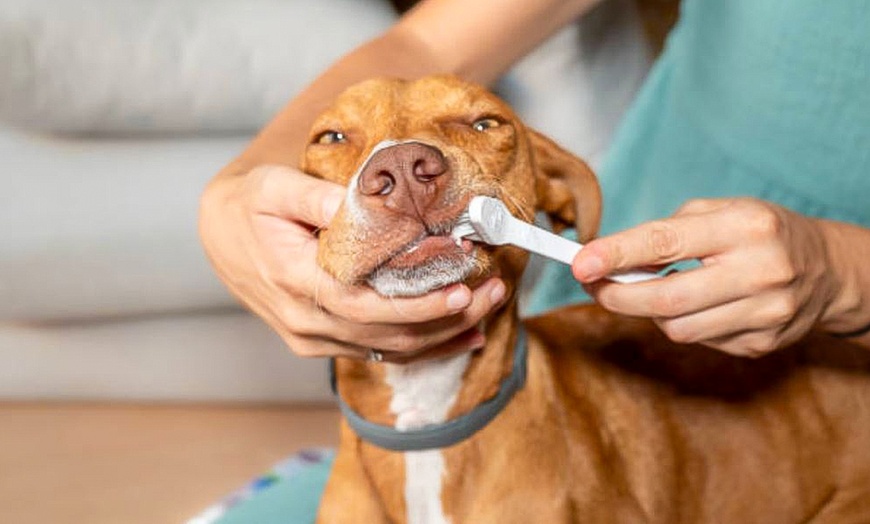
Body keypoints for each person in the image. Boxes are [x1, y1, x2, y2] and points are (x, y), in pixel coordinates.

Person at [196, 0, 869, 520]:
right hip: (664, 243)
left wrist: (844, 270)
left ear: (554, 194)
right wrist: (227, 195)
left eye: (479, 125)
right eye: (337, 138)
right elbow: (425, 43)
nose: (405, 164)